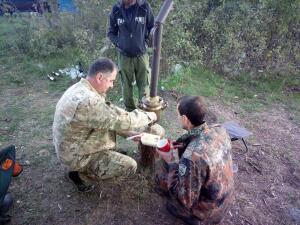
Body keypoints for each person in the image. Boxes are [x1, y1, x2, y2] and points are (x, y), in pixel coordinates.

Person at [53, 58, 163, 192]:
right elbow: (123, 121)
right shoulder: (88, 101)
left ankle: (99, 159)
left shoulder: (80, 89)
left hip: (73, 145)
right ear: (99, 77)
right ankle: (81, 176)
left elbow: (108, 117)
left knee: (112, 127)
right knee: (130, 166)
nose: (111, 85)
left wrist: (129, 133)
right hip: (76, 157)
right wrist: (150, 115)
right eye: (111, 81)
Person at [155, 96, 234, 225]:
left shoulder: (191, 158)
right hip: (225, 199)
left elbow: (185, 200)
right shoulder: (219, 129)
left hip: (209, 214)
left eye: (178, 115)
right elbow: (203, 145)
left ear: (185, 119)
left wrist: (170, 160)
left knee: (162, 170)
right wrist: (185, 144)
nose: (178, 117)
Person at [107, 0, 154, 111]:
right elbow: (111, 32)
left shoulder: (144, 7)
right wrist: (120, 43)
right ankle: (130, 112)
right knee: (126, 86)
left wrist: (146, 43)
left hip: (141, 55)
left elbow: (152, 27)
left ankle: (144, 111)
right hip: (124, 56)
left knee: (144, 85)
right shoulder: (116, 9)